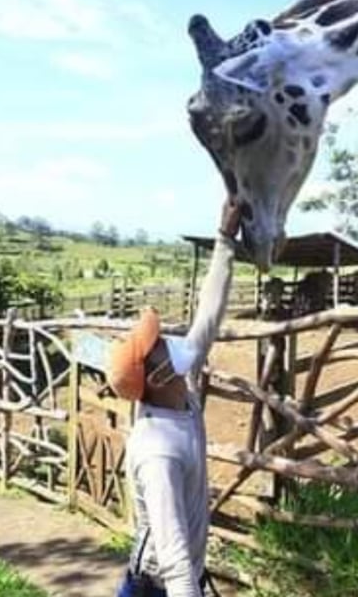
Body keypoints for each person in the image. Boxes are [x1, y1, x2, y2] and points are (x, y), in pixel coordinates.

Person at [108, 200, 240, 597]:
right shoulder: (158, 453)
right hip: (159, 587)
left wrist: (225, 239)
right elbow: (174, 559)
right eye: (160, 343)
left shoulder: (181, 396)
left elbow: (208, 318)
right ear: (160, 374)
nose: (169, 338)